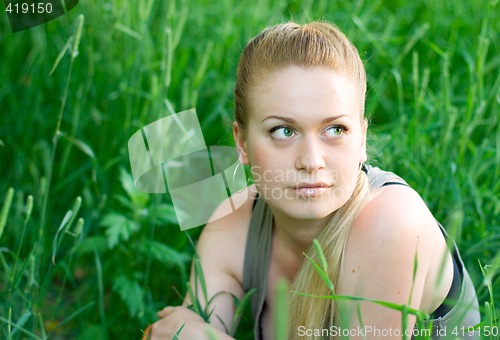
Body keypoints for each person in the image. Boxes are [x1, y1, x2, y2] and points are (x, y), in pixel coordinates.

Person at [148, 21, 480, 339]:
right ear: (242, 143)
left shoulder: (390, 224)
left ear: (362, 139)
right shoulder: (233, 224)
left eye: (335, 130)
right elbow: (174, 332)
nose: (311, 161)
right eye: (283, 131)